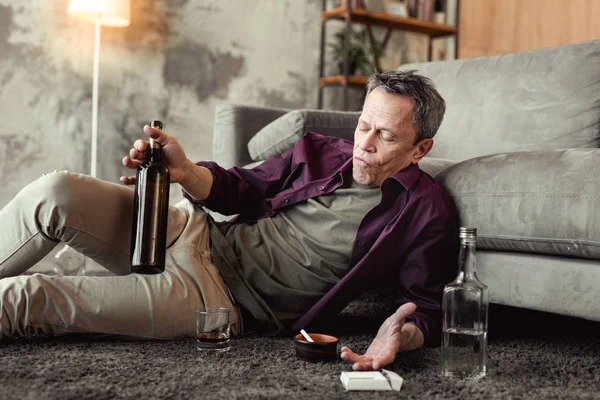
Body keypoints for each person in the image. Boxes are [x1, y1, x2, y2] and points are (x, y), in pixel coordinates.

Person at [0, 70, 457, 371]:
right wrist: (184, 172)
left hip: (217, 300)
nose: (365, 144)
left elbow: (427, 310)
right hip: (191, 231)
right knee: (54, 191)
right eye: (363, 126)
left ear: (421, 149)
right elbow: (240, 186)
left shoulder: (425, 212)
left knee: (31, 296)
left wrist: (404, 336)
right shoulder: (322, 150)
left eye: (387, 136)